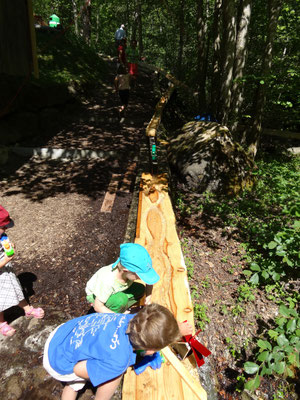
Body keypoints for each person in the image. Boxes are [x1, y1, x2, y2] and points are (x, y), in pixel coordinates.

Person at [43, 303, 185, 400]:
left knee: (108, 367)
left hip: (62, 334)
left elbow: (153, 325)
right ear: (149, 350)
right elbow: (78, 369)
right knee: (111, 376)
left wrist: (174, 329)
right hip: (57, 361)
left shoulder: (133, 319)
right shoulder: (118, 360)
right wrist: (103, 373)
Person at [0, 205, 44, 337]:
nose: (6, 229)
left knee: (16, 290)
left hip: (6, 273)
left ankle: (28, 309)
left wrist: (9, 246)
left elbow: (5, 245)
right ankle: (1, 323)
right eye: (3, 227)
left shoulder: (2, 236)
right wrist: (6, 260)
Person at [86, 243, 159, 314]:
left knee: (140, 289)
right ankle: (115, 312)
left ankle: (121, 307)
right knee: (121, 300)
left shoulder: (125, 272)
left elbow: (149, 281)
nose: (142, 278)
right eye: (140, 276)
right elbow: (98, 307)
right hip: (97, 296)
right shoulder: (108, 281)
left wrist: (148, 295)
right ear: (126, 271)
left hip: (117, 289)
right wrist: (118, 317)